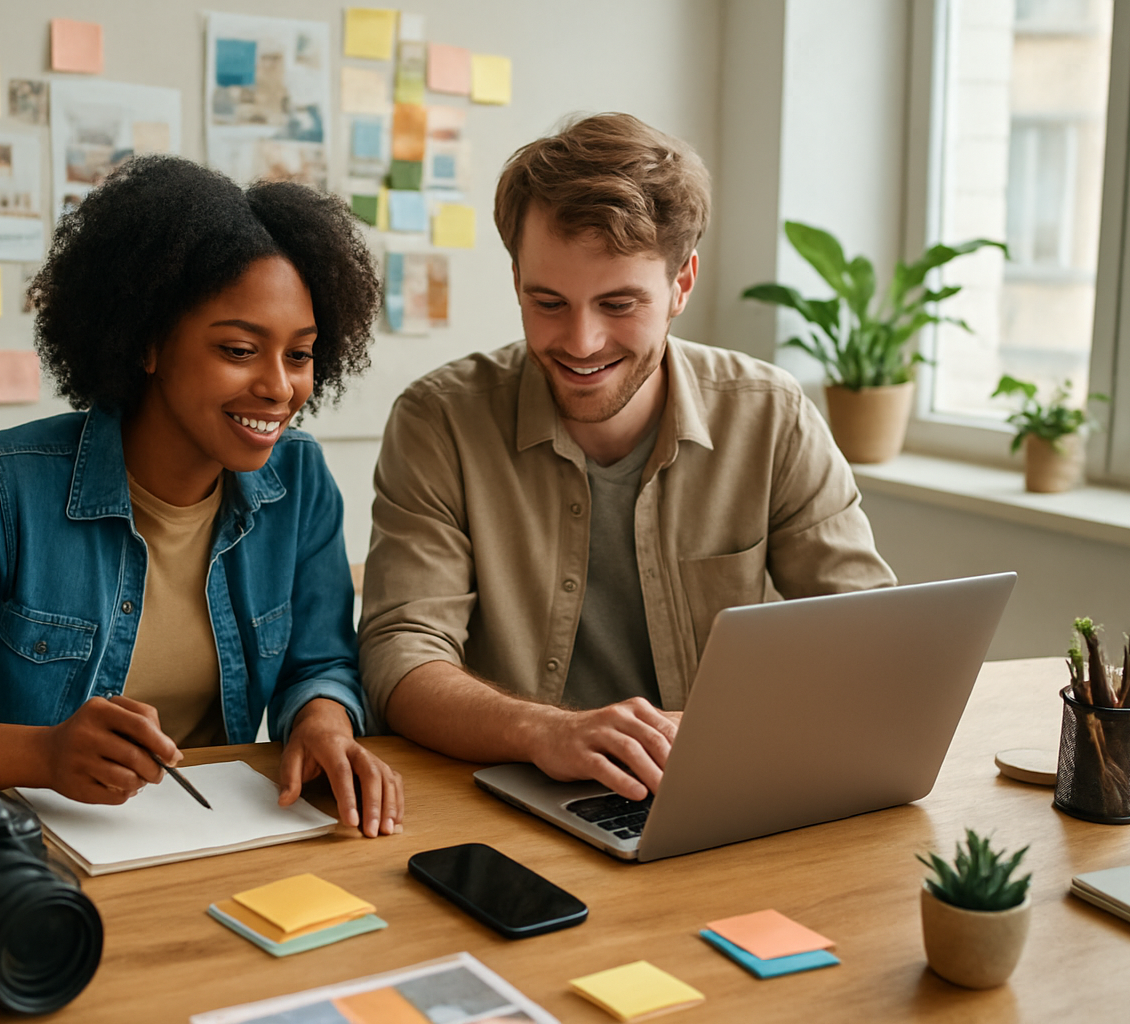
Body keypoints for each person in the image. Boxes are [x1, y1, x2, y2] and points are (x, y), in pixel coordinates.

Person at [0, 156, 403, 837]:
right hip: (35, 856)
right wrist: (42, 754)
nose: (280, 388)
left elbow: (320, 665)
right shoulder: (2, 487)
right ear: (148, 343)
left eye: (300, 355)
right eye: (240, 349)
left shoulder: (299, 486)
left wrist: (322, 721)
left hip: (226, 840)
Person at [358, 114, 895, 802]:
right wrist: (546, 731)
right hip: (509, 797)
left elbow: (868, 645)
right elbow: (400, 658)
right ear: (516, 277)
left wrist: (715, 732)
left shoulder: (771, 415)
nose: (581, 342)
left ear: (682, 284)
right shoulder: (439, 421)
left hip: (710, 788)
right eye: (546, 301)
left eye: (619, 303)